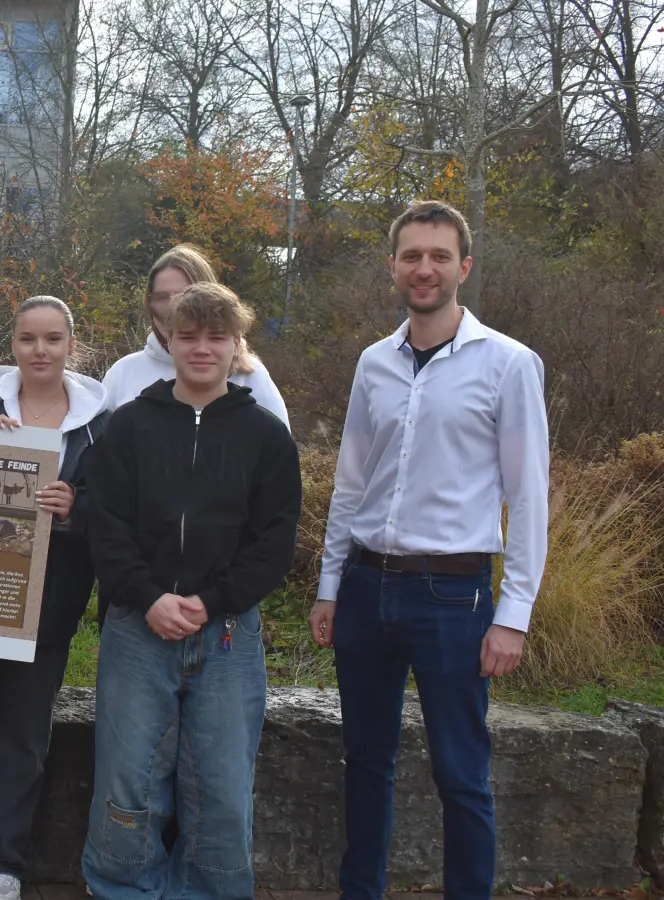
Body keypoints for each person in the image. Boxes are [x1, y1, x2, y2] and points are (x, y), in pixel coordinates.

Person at [309, 201, 549, 900]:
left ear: (463, 267)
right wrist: (329, 585)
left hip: (453, 595)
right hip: (364, 588)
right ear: (392, 267)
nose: (424, 268)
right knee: (365, 761)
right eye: (411, 255)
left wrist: (515, 613)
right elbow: (350, 483)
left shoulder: (508, 364)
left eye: (439, 256)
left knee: (460, 772)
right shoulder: (374, 364)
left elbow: (528, 495)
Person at [84, 283, 301, 900]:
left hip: (228, 630)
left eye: (216, 337)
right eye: (188, 336)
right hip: (136, 624)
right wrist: (149, 596)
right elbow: (106, 525)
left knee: (223, 780)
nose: (201, 348)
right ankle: (123, 886)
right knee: (129, 777)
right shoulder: (127, 427)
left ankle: (211, 889)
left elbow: (274, 539)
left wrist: (212, 600)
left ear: (237, 346)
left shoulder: (265, 436)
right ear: (168, 340)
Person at [0, 296, 110, 900]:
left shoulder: (98, 421)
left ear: (71, 345)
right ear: (11, 344)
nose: (41, 351)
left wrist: (75, 507)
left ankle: (6, 862)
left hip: (51, 603)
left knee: (25, 740)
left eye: (53, 339)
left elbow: (114, 510)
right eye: (29, 339)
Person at [99, 244, 289, 427]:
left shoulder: (250, 375)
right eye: (161, 297)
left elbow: (277, 450)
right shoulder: (123, 373)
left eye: (183, 294)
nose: (171, 309)